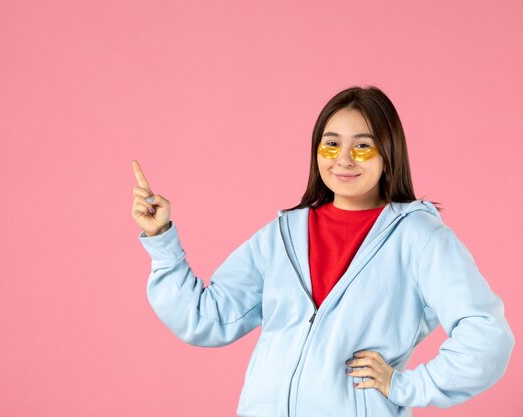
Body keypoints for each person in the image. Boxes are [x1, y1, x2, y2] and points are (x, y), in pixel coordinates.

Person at [130, 86, 515, 417]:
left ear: (389, 154)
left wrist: (407, 387)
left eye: (363, 146)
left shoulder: (419, 237)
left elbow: (487, 336)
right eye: (331, 144)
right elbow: (207, 318)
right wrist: (162, 239)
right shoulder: (282, 235)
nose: (343, 159)